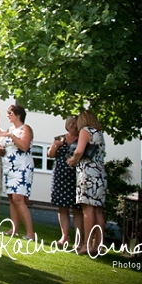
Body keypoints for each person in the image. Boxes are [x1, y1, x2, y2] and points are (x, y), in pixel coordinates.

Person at [67, 109, 107, 255]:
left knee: (87, 210)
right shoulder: (99, 133)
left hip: (88, 174)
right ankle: (99, 245)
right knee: (98, 211)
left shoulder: (85, 130)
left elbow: (79, 151)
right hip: (100, 175)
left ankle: (86, 245)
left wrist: (73, 160)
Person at [1, 104, 35, 239]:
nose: (8, 115)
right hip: (10, 167)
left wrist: (11, 136)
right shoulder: (9, 129)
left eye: (10, 113)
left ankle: (30, 233)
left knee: (18, 198)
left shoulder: (25, 129)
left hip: (22, 167)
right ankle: (14, 229)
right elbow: (4, 147)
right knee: (12, 198)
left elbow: (24, 146)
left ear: (18, 114)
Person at [49, 116, 83, 246]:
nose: (73, 125)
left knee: (76, 209)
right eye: (71, 123)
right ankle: (64, 237)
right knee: (62, 207)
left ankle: (79, 240)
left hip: (75, 177)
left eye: (76, 124)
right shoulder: (59, 138)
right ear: (67, 124)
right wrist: (55, 146)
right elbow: (50, 155)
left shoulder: (81, 139)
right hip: (59, 176)